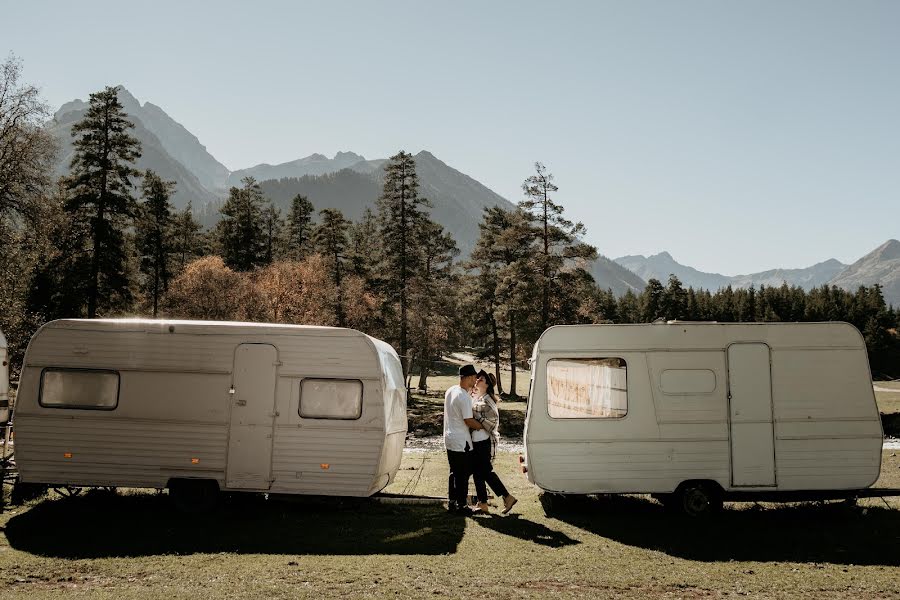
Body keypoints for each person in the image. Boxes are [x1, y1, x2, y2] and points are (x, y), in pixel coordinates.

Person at [471, 369, 517, 514]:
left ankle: (505, 497)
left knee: (484, 472)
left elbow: (491, 422)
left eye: (481, 379)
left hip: (484, 442)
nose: (477, 380)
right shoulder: (480, 398)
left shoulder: (487, 401)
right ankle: (484, 503)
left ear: (487, 385)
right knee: (480, 473)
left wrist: (471, 412)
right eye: (477, 378)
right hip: (479, 441)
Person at [443, 364, 484, 515]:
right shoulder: (464, 396)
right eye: (473, 377)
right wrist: (484, 426)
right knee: (463, 474)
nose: (475, 380)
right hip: (462, 441)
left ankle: (452, 502)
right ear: (467, 377)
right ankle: (462, 506)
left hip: (449, 437)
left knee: (454, 472)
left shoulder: (451, 390)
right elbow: (468, 420)